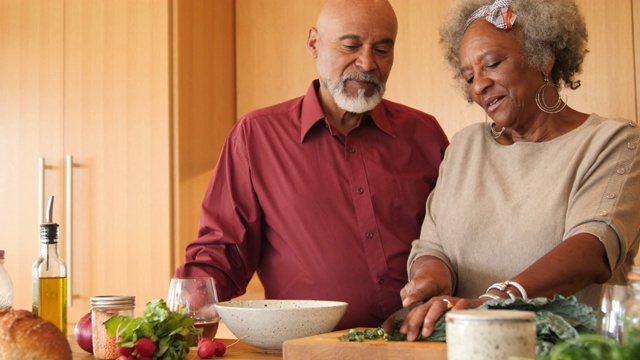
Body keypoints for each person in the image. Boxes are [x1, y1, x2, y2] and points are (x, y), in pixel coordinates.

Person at [174, 0, 449, 329]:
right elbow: (223, 252)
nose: (367, 62)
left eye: (382, 49)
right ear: (314, 44)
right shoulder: (255, 137)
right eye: (351, 45)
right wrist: (176, 318)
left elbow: (456, 239)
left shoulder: (424, 134)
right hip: (307, 348)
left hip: (419, 343)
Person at [394, 0, 640, 341]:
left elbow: (593, 249)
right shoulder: (464, 147)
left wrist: (496, 302)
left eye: (492, 64)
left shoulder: (612, 142)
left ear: (544, 57)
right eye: (468, 76)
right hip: (468, 349)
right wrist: (428, 280)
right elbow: (433, 247)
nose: (478, 85)